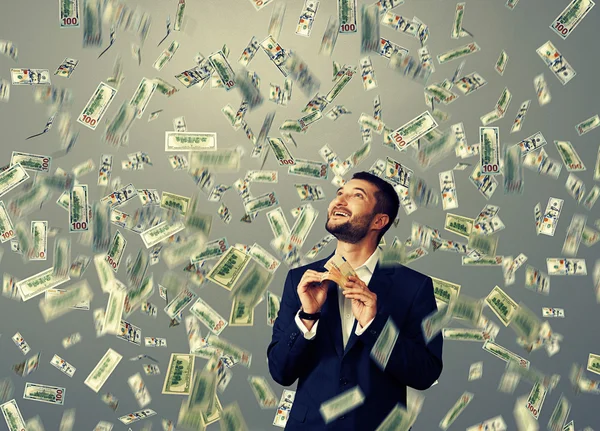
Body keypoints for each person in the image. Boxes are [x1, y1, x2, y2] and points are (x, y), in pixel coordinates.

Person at [267, 171, 443, 430]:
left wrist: (374, 324)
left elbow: (425, 373)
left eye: (356, 196)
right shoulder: (299, 280)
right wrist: (307, 317)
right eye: (339, 194)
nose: (340, 200)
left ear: (379, 220)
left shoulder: (414, 287)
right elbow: (280, 372)